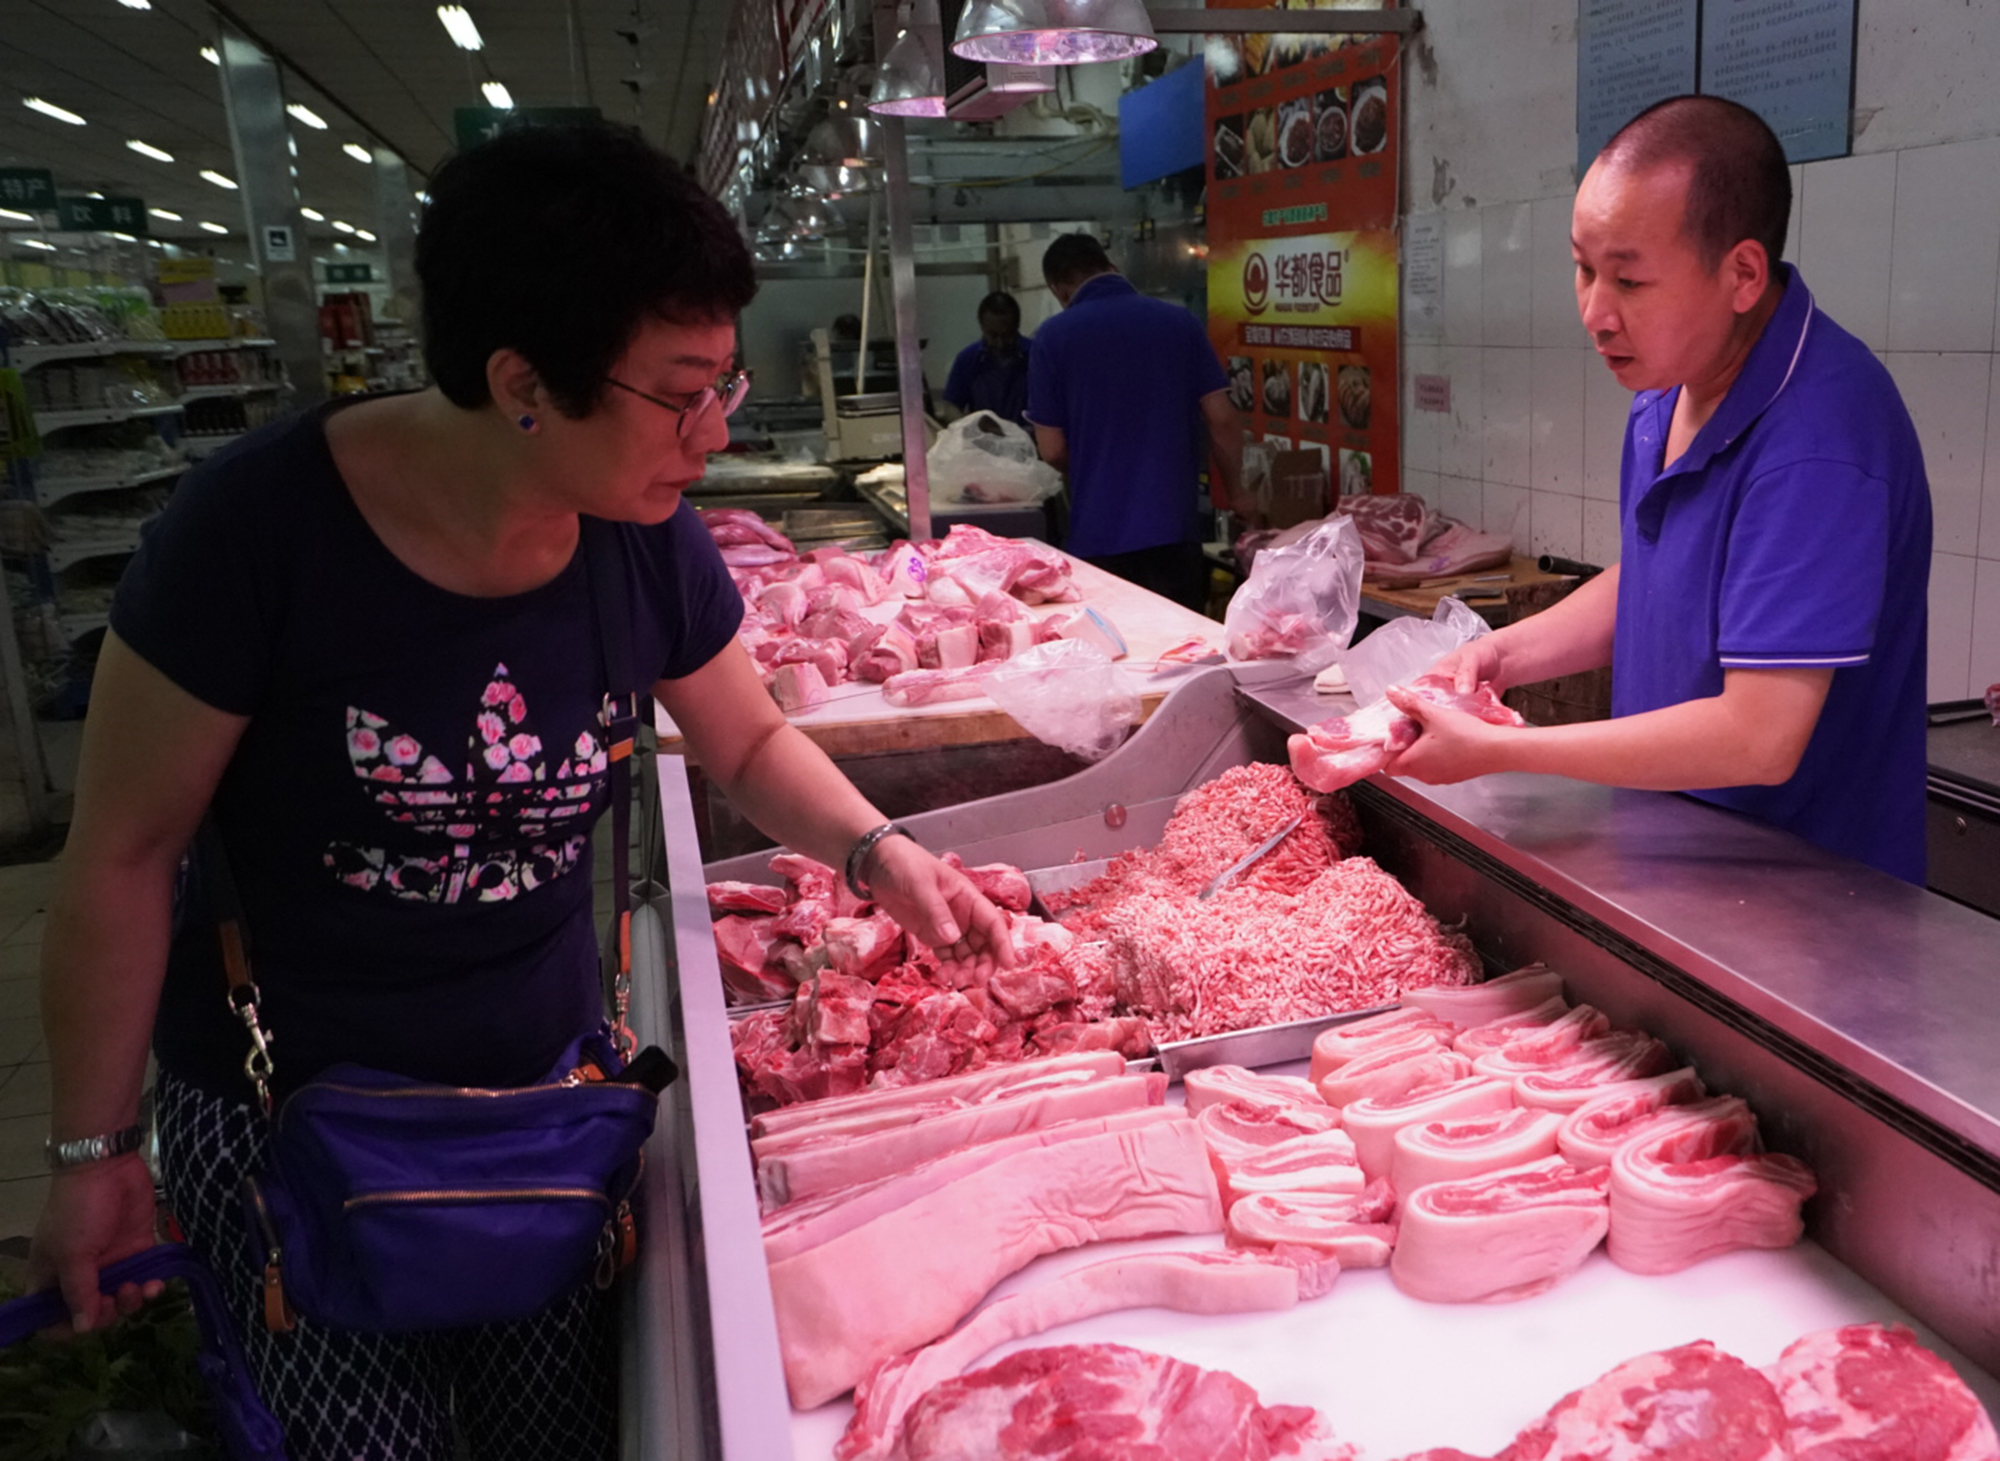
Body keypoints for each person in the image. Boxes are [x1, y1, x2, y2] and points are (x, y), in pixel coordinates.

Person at [30, 122, 1013, 1461]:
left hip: (543, 1106)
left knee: (559, 1434)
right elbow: (124, 855)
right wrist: (92, 1154)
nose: (717, 433)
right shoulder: (251, 536)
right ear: (521, 382)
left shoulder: (641, 540)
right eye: (684, 393)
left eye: (723, 383)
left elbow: (744, 744)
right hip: (296, 1125)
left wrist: (880, 855)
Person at [1387, 95, 1931, 884]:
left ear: (1742, 274)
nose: (1595, 312)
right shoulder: (1670, 384)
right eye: (1583, 268)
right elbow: (1657, 578)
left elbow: (1759, 737)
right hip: (1672, 859)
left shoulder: (1818, 443)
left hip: (1803, 895)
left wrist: (1503, 749)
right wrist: (1501, 654)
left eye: (1630, 280)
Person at [1026, 233, 1246, 611]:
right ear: (1112, 267)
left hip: (1098, 539)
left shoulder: (1051, 337)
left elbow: (1053, 450)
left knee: (1116, 645)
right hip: (1174, 534)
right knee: (1184, 643)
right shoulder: (1180, 323)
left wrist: (1097, 465)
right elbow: (1222, 419)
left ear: (1059, 289)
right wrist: (1239, 494)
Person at [939, 291, 1032, 427]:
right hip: (983, 438)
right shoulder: (967, 359)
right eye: (993, 335)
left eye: (1007, 335)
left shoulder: (1037, 356)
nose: (1000, 343)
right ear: (982, 327)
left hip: (1030, 437)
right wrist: (967, 427)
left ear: (1017, 327)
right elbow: (951, 406)